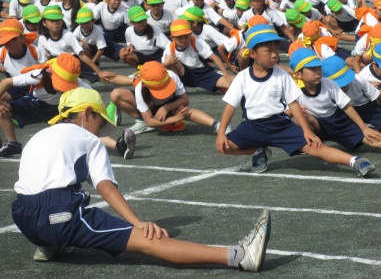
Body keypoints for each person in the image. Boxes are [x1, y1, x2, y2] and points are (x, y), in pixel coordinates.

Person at [11, 87, 270, 271]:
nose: (100, 128)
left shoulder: (38, 136)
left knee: (58, 214)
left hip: (23, 218)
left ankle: (50, 245)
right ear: (86, 113)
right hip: (58, 215)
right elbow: (105, 186)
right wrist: (138, 223)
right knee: (149, 241)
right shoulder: (89, 139)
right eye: (100, 122)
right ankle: (239, 255)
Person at [215, 24, 377, 176]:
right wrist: (221, 132)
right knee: (224, 147)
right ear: (252, 54)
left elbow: (293, 104)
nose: (274, 55)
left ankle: (355, 162)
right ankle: (259, 150)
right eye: (268, 51)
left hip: (280, 125)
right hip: (253, 126)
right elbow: (230, 106)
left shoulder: (282, 76)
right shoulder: (242, 77)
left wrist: (306, 130)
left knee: (315, 147)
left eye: (276, 50)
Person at [290, 48, 381, 161]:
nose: (318, 72)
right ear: (299, 74)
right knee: (301, 117)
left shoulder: (329, 84)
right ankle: (310, 144)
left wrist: (363, 128)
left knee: (372, 138)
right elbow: (285, 111)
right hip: (319, 125)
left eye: (318, 68)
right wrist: (295, 111)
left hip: (339, 122)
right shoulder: (294, 91)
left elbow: (347, 106)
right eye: (312, 69)